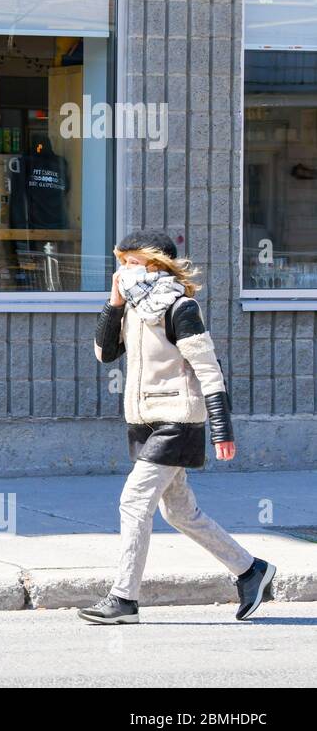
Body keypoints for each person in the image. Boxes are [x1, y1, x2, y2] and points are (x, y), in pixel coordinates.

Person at [80, 230, 276, 625]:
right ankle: (250, 570)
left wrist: (222, 427)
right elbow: (104, 354)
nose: (122, 269)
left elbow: (208, 368)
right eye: (121, 262)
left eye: (130, 262)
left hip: (178, 419)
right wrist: (114, 302)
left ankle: (124, 600)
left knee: (134, 501)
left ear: (153, 264)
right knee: (180, 512)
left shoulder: (180, 307)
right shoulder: (133, 306)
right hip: (143, 420)